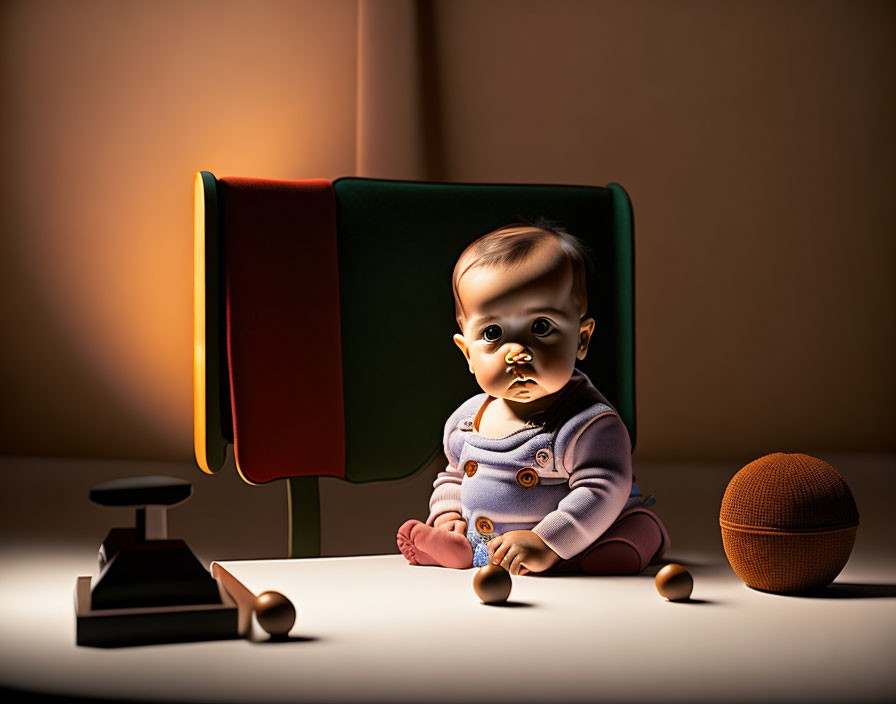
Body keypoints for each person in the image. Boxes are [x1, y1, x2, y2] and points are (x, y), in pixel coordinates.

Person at [397, 223, 668, 576]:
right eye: (492, 333)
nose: (517, 352)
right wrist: (448, 515)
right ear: (467, 353)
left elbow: (603, 490)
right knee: (473, 538)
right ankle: (459, 547)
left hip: (586, 532)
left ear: (581, 339)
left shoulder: (588, 422)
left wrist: (547, 541)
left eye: (541, 327)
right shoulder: (466, 422)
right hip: (497, 542)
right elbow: (454, 477)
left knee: (633, 528)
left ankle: (617, 547)